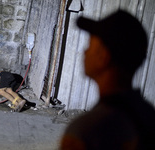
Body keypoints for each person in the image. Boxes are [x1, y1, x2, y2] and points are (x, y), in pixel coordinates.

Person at [60, 10, 155, 150]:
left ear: (103, 57)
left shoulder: (85, 131)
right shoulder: (149, 114)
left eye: (90, 45)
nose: (85, 52)